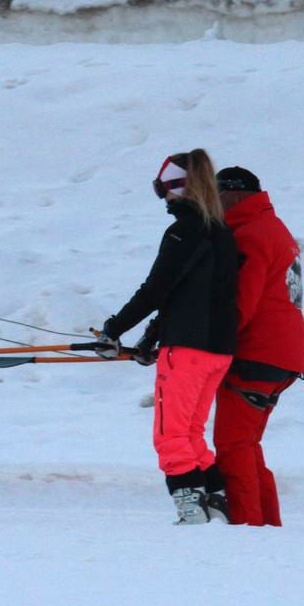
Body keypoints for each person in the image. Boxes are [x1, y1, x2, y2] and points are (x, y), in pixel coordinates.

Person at [93, 150, 238, 525]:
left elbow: (156, 289)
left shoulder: (182, 232)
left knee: (170, 436)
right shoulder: (222, 234)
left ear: (178, 188)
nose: (163, 200)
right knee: (191, 432)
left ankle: (191, 511)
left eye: (162, 190)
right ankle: (216, 504)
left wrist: (114, 329)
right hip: (218, 350)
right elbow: (191, 293)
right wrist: (152, 337)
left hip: (188, 350)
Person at [211, 166, 304, 527]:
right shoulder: (274, 228)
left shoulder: (249, 235)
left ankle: (248, 528)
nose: (212, 206)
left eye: (215, 197)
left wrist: (207, 344)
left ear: (233, 196)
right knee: (248, 445)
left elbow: (240, 304)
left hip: (256, 354)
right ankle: (267, 525)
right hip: (284, 355)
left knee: (233, 446)